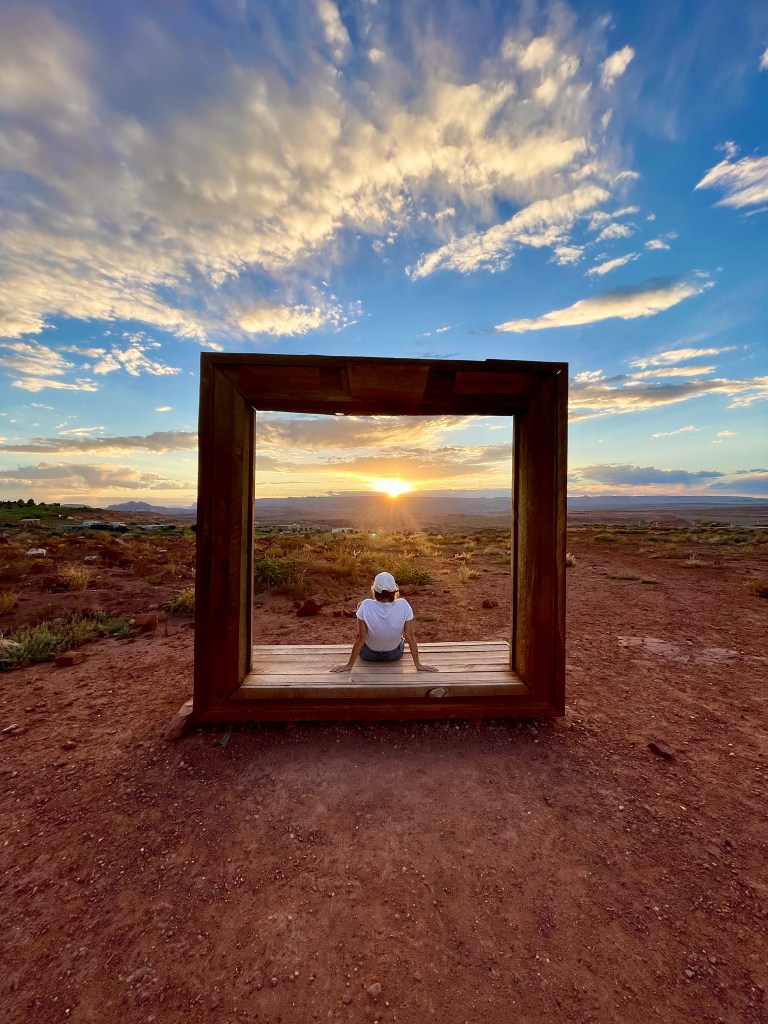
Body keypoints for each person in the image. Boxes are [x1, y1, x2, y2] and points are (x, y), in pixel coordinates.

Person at [330, 571, 439, 673]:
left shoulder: (365, 604)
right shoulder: (404, 604)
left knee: (361, 607)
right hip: (393, 655)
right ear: (394, 590)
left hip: (369, 655)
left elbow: (361, 637)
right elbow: (410, 636)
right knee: (402, 639)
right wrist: (418, 664)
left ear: (374, 590)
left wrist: (349, 665)